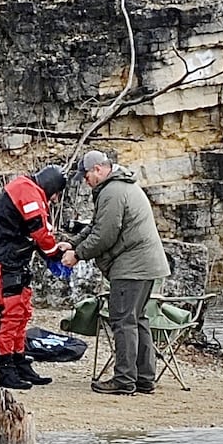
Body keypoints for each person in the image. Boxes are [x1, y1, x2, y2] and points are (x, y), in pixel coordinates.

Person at [60, 150, 171, 395]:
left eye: (86, 175)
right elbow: (97, 226)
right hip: (147, 265)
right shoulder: (120, 186)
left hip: (132, 267)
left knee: (123, 321)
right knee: (138, 319)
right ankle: (144, 378)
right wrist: (73, 243)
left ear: (98, 169)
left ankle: (124, 380)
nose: (85, 180)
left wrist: (77, 255)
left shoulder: (112, 192)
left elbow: (104, 235)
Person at [0, 165, 69, 390]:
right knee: (12, 313)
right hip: (3, 262)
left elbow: (36, 231)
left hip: (12, 261)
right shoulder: (28, 193)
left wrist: (50, 250)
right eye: (56, 194)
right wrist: (55, 254)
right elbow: (40, 231)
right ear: (50, 186)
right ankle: (6, 369)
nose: (55, 199)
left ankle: (18, 361)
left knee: (23, 311)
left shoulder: (26, 188)